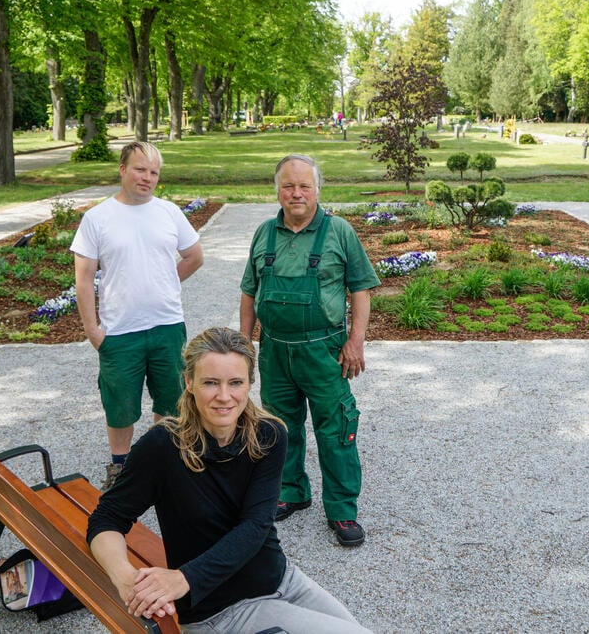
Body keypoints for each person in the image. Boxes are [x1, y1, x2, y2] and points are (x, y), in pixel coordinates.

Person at [87, 327, 371, 633]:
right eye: (210, 382)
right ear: (189, 382)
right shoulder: (162, 447)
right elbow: (106, 519)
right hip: (220, 611)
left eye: (235, 382)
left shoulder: (269, 435)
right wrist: (126, 580)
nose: (224, 396)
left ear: (249, 383)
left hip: (282, 580)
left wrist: (184, 578)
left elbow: (256, 526)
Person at [240, 154, 380, 547]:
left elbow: (361, 290)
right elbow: (249, 292)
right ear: (277, 190)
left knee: (335, 428)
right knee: (279, 427)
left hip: (325, 352)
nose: (296, 193)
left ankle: (342, 508)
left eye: (304, 185)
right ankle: (292, 490)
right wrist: (244, 344)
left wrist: (355, 341)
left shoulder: (339, 232)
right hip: (275, 352)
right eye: (288, 186)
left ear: (318, 188)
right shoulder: (264, 234)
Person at [71, 141, 204, 491]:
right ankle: (120, 465)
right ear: (122, 169)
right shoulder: (97, 218)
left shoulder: (168, 212)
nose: (147, 178)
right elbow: (84, 279)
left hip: (167, 326)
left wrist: (163, 281)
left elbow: (194, 256)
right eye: (140, 169)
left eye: (154, 172)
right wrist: (92, 330)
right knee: (120, 404)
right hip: (119, 331)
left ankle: (165, 459)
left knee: (172, 399)